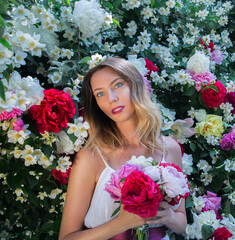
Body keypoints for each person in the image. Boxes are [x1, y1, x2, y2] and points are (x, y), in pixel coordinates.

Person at [58, 58, 187, 240]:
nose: (111, 98)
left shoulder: (170, 148)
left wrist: (170, 217)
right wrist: (122, 223)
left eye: (118, 85)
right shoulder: (91, 156)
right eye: (100, 94)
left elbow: (182, 223)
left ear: (135, 85)